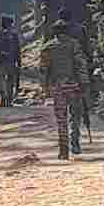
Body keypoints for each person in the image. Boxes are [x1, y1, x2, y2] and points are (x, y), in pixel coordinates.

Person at [39, 20, 88, 160]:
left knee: (61, 119)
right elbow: (81, 64)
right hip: (74, 86)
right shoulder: (74, 45)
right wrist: (84, 82)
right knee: (75, 116)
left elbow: (43, 69)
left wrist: (45, 88)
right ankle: (75, 141)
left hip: (57, 87)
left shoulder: (48, 47)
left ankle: (63, 149)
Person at [58, 8, 95, 153]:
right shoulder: (81, 29)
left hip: (60, 77)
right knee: (76, 112)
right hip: (78, 76)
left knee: (62, 114)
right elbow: (87, 51)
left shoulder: (56, 30)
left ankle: (64, 144)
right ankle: (75, 141)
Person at [0, 15, 22, 107]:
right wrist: (19, 62)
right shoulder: (14, 35)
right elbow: (18, 50)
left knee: (1, 80)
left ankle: (3, 98)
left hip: (0, 62)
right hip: (11, 61)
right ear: (10, 24)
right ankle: (9, 100)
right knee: (10, 81)